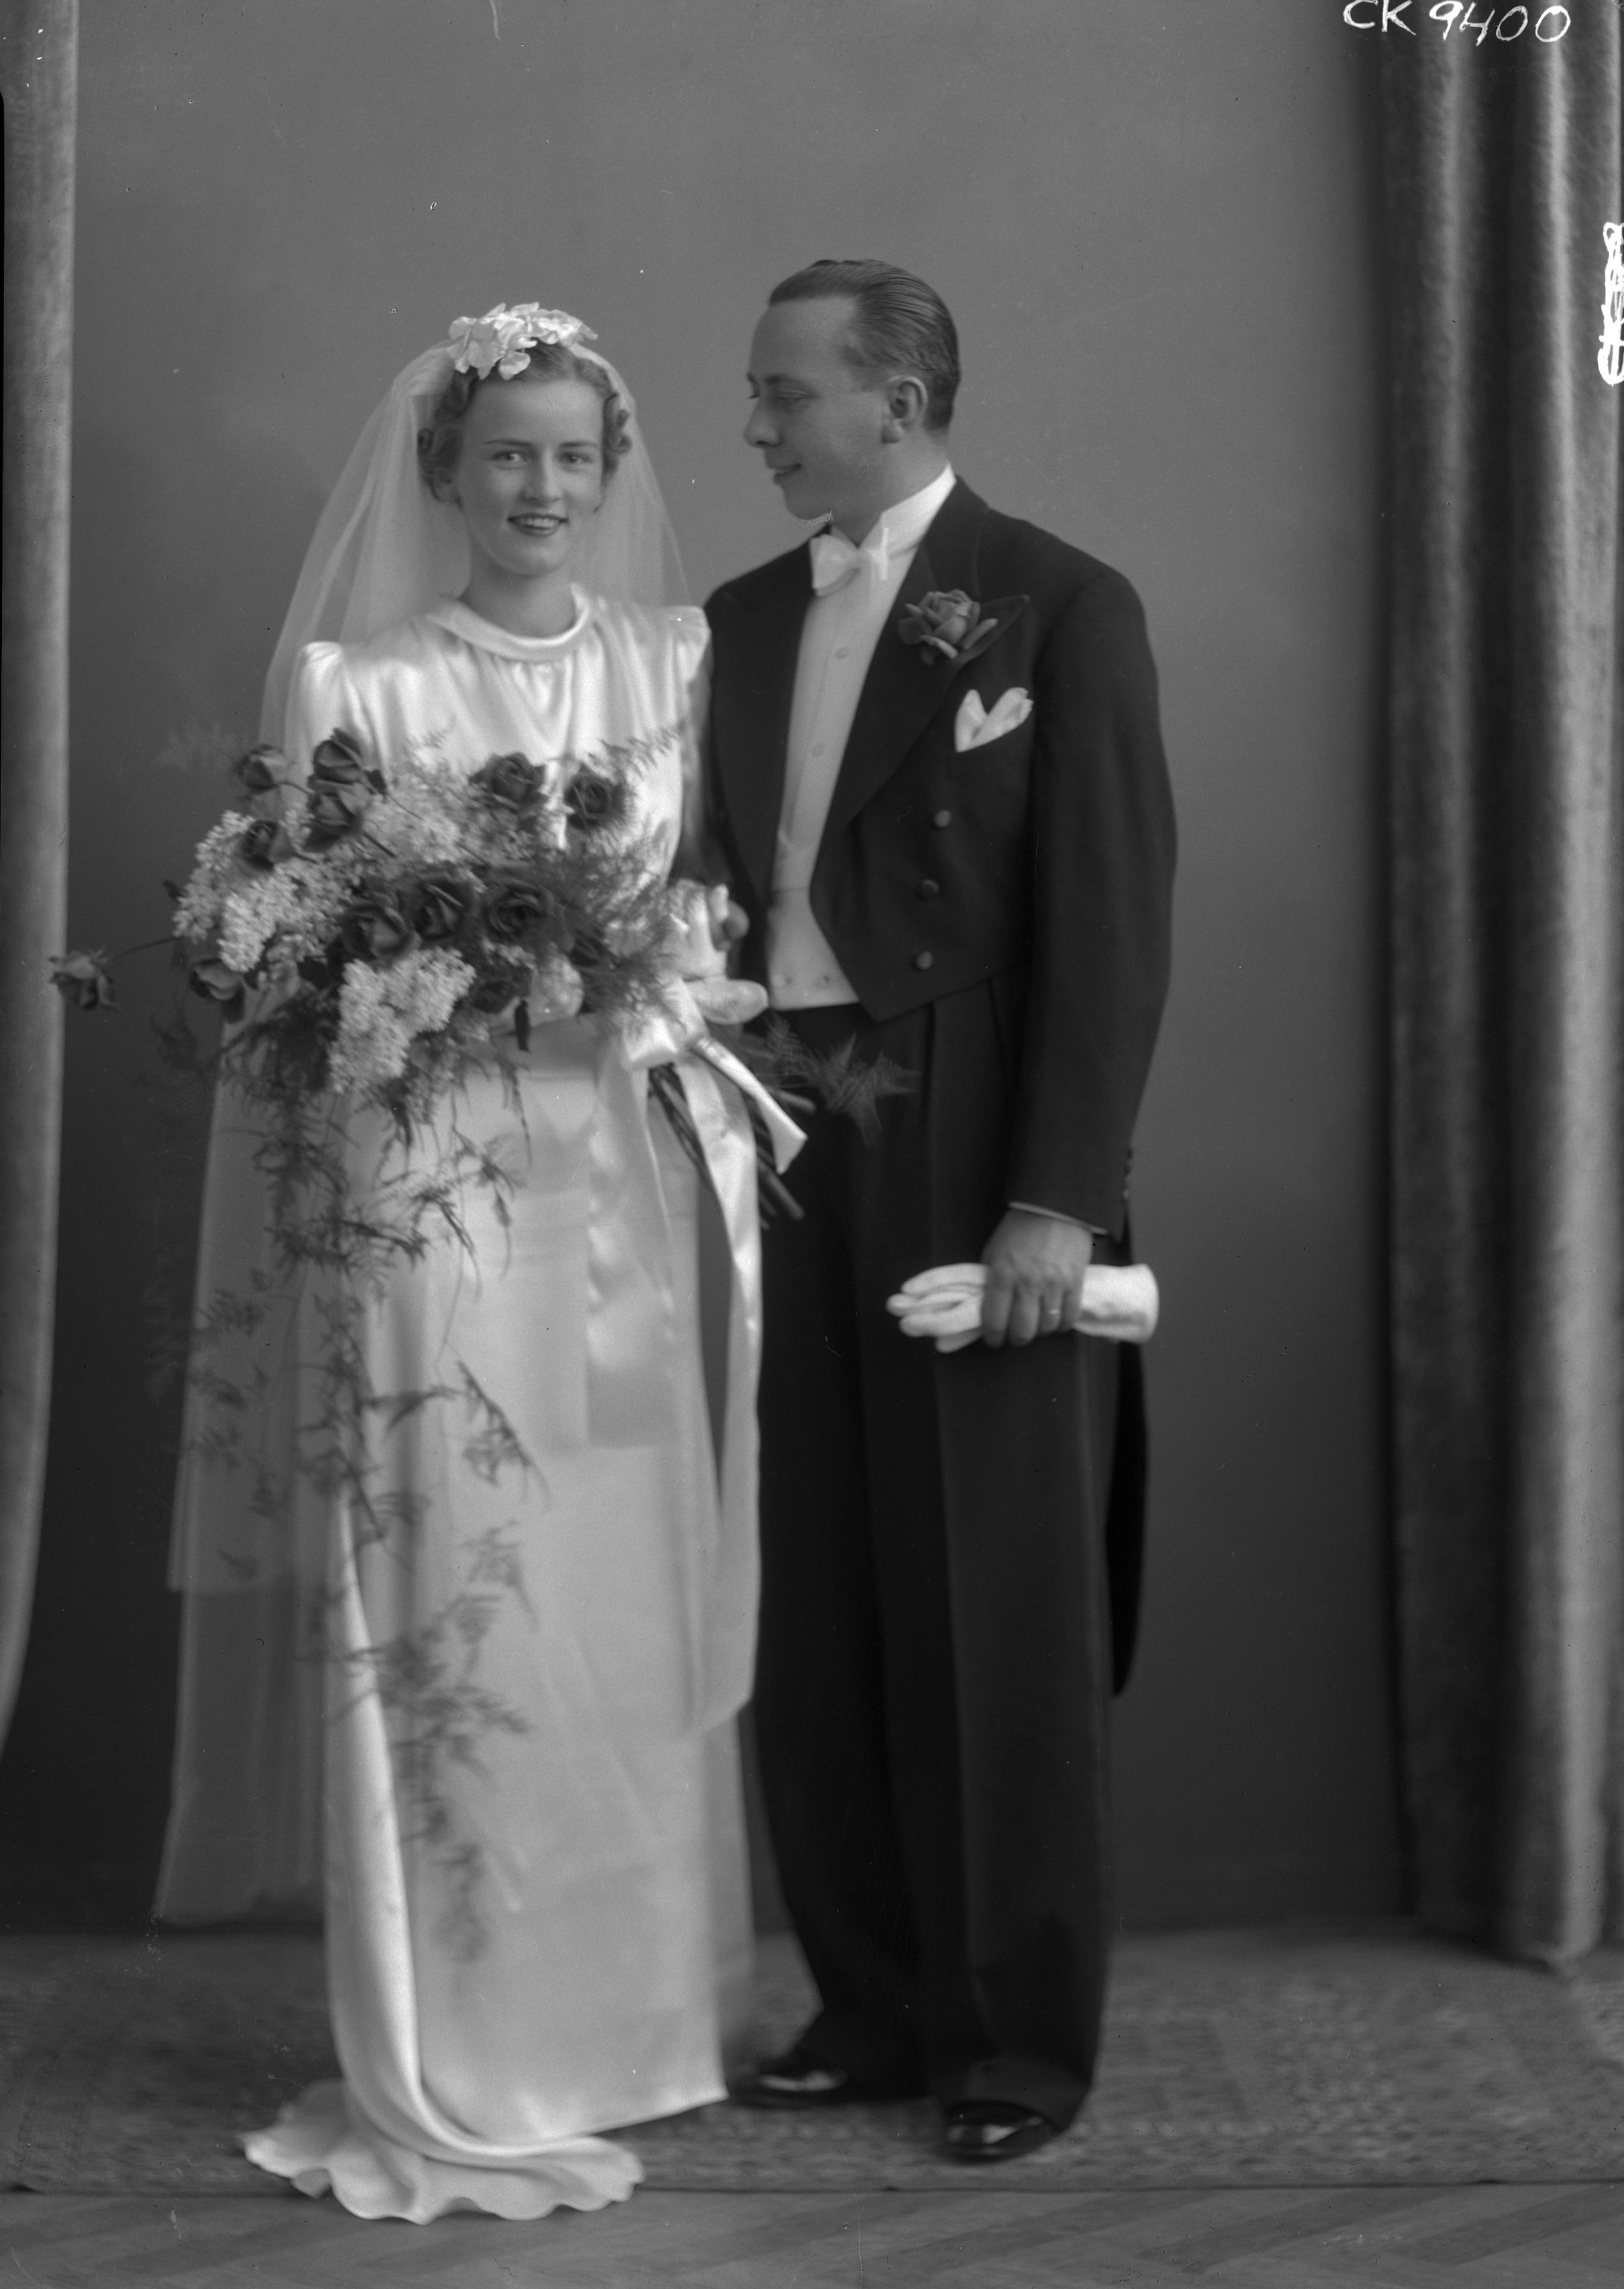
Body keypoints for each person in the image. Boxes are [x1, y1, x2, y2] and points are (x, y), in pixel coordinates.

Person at [159, 305, 792, 2222]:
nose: (541, 487)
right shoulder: (363, 688)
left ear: (610, 476)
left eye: (571, 457)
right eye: (506, 452)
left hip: (618, 1177)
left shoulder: (676, 663)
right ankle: (463, 2033)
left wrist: (664, 975)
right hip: (436, 1194)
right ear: (443, 471)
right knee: (458, 1562)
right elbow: (312, 951)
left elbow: (709, 899)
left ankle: (634, 2025)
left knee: (616, 1575)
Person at [703, 260, 1176, 2162]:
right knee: (817, 1575)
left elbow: (1108, 925)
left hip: (973, 1119)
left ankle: (1012, 2043)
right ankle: (872, 2001)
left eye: (782, 391)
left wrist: (1058, 1198)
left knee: (991, 1589)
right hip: (777, 1113)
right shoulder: (736, 619)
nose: (754, 423)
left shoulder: (1060, 602)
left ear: (892, 402)